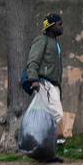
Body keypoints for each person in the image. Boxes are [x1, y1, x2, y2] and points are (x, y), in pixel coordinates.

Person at [24, 13, 66, 151]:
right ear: (51, 26)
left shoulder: (55, 42)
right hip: (44, 83)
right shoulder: (42, 40)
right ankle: (51, 141)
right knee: (56, 113)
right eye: (59, 24)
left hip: (54, 84)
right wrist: (34, 79)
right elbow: (33, 60)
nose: (62, 27)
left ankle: (45, 145)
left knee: (47, 114)